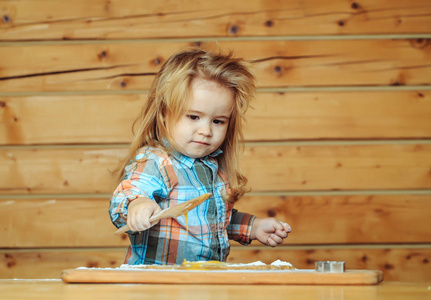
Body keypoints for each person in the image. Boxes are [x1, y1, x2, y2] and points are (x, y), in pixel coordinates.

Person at [109, 48, 291, 265]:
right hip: (158, 283)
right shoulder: (156, 161)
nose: (206, 130)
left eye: (218, 121)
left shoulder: (213, 168)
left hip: (203, 279)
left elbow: (212, 220)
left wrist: (253, 227)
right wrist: (137, 205)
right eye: (194, 116)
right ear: (164, 114)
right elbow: (127, 194)